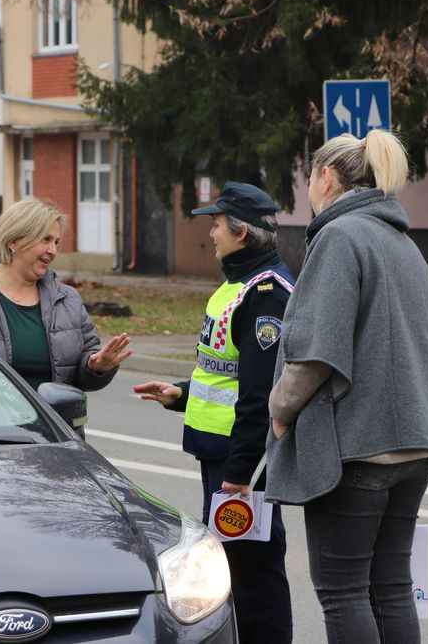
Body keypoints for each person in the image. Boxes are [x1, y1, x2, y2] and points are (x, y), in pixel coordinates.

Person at [265, 130, 428, 644]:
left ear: (326, 177)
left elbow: (315, 352)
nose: (308, 190)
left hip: (357, 448)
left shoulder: (340, 238)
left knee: (343, 591)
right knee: (392, 586)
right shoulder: (404, 244)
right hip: (416, 442)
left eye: (310, 178)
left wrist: (281, 411)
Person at [133, 181, 294, 644]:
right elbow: (225, 374)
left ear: (241, 231)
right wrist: (180, 394)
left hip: (242, 463)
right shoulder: (237, 286)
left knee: (253, 572)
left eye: (217, 224)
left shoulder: (266, 294)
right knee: (232, 568)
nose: (212, 234)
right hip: (222, 455)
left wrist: (241, 472)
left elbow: (262, 393)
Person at [0, 200, 132, 436]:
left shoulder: (67, 299)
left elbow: (79, 375)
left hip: (54, 440)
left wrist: (96, 366)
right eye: (45, 239)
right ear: (14, 241)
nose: (53, 250)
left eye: (56, 242)